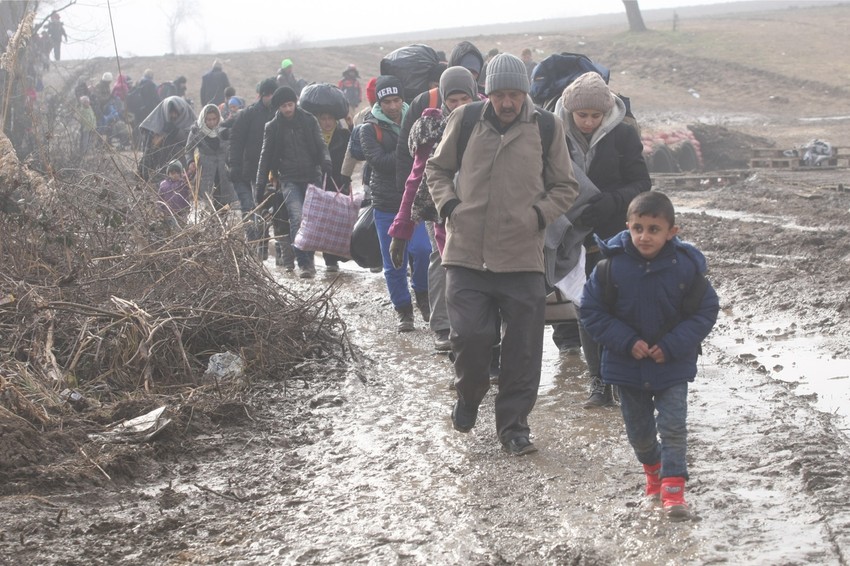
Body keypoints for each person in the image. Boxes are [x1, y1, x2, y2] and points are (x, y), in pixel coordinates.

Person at [426, 53, 579, 455]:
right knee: (472, 337)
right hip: (466, 255)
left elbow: (566, 186)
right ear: (487, 93)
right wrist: (450, 208)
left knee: (523, 349)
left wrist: (538, 216)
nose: (507, 103)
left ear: (525, 93)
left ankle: (513, 427)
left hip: (523, 256)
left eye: (514, 94)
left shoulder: (547, 127)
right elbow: (436, 169)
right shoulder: (465, 120)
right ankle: (469, 393)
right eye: (499, 95)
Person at [579, 191, 719, 519]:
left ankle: (673, 490)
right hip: (626, 366)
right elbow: (591, 311)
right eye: (638, 227)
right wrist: (627, 342)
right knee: (639, 434)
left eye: (654, 229)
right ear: (627, 226)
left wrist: (671, 346)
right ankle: (653, 470)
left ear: (672, 232)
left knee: (673, 426)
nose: (644, 236)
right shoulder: (608, 268)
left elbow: (706, 310)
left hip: (672, 365)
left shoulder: (686, 268)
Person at [554, 71, 652, 407]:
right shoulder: (555, 135)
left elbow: (642, 183)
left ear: (607, 112)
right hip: (573, 232)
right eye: (582, 115)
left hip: (615, 232)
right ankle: (598, 382)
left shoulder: (623, 136)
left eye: (596, 116)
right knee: (585, 307)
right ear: (569, 111)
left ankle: (622, 377)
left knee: (619, 306)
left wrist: (611, 201)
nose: (589, 122)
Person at [394, 41, 485, 349]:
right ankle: (444, 327)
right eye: (453, 99)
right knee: (443, 260)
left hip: (481, 211)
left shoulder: (489, 121)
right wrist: (401, 229)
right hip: (440, 211)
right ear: (444, 99)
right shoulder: (432, 127)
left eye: (465, 98)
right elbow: (416, 178)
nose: (459, 105)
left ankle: (479, 335)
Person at [361, 75, 430, 332]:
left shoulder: (415, 119)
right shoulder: (368, 128)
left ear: (403, 99)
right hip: (386, 203)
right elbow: (378, 161)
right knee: (394, 262)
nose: (392, 106)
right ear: (379, 102)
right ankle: (403, 310)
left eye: (397, 100)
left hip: (415, 201)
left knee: (423, 251)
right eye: (387, 101)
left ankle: (423, 294)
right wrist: (411, 152)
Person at [255, 86, 333, 279]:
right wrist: (260, 185)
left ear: (295, 102)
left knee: (311, 220)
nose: (288, 109)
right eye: (284, 106)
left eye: (290, 104)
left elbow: (320, 144)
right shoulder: (272, 127)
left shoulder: (308, 120)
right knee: (296, 218)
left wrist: (326, 162)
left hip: (311, 176)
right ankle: (304, 263)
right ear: (278, 107)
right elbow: (264, 157)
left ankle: (310, 259)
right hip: (288, 179)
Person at [228, 78, 278, 260]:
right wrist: (234, 165)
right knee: (249, 209)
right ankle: (252, 246)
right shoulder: (247, 115)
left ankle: (263, 247)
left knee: (266, 213)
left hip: (269, 173)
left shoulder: (278, 114)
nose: (271, 98)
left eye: (273, 94)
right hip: (246, 172)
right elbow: (236, 141)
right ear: (262, 95)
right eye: (268, 94)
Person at [315, 111, 352, 272]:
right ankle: (330, 259)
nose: (327, 122)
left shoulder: (344, 135)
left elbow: (357, 142)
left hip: (341, 180)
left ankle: (343, 254)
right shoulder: (314, 135)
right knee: (325, 222)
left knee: (343, 219)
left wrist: (350, 123)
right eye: (323, 118)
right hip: (322, 181)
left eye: (330, 117)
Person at [185, 104, 236, 210]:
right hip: (205, 171)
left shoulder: (224, 128)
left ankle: (222, 222)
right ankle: (211, 223)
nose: (212, 122)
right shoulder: (196, 131)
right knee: (206, 201)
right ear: (203, 119)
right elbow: (188, 150)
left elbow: (233, 145)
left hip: (223, 170)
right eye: (208, 119)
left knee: (225, 202)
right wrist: (191, 162)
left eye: (214, 119)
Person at [137, 95, 196, 182]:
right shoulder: (156, 125)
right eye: (171, 113)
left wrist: (176, 132)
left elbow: (192, 141)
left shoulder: (189, 121)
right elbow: (148, 151)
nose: (174, 115)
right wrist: (144, 170)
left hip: (183, 174)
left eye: (176, 112)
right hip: (160, 172)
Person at [158, 160, 191, 227]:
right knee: (171, 227)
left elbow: (189, 194)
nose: (175, 175)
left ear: (181, 173)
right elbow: (160, 199)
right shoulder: (164, 185)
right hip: (168, 212)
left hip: (182, 212)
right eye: (173, 173)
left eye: (177, 173)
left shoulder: (184, 184)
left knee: (182, 227)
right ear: (168, 174)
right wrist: (160, 210)